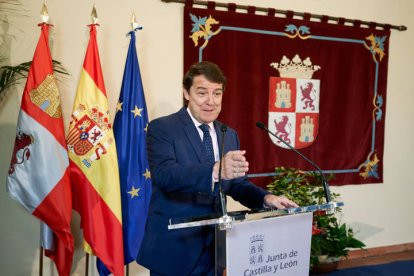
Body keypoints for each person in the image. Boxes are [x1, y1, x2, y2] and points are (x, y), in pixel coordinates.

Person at [137, 61, 298, 275]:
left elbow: (237, 184)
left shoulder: (228, 134)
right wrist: (214, 170)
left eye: (217, 94)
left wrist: (266, 198)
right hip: (175, 247)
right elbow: (165, 175)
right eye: (202, 93)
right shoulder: (163, 128)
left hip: (216, 248)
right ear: (186, 92)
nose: (210, 102)